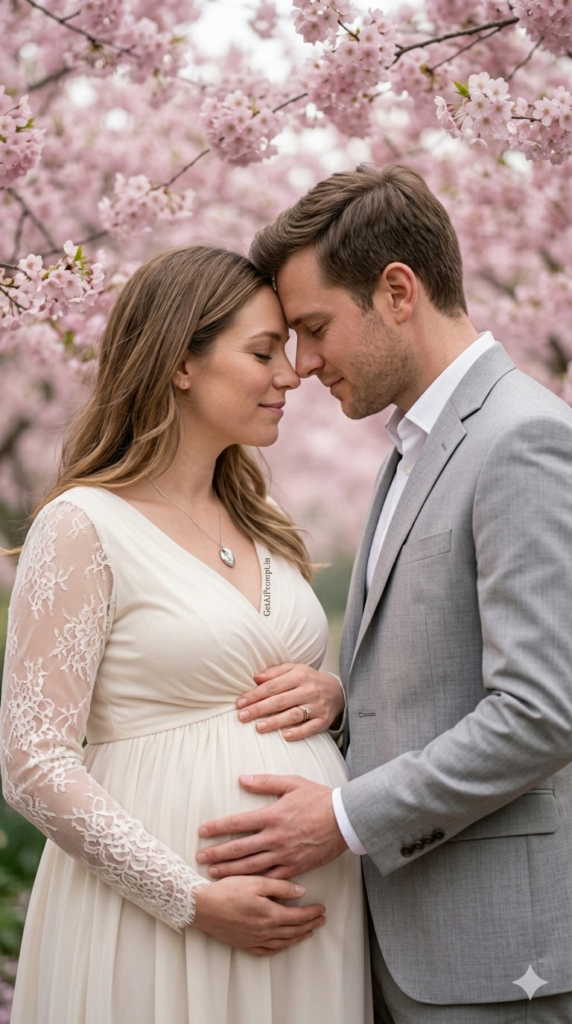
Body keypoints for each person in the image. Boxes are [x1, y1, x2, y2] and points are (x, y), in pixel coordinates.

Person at [195, 165, 572, 1023]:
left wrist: (346, 818)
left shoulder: (522, 440)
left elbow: (545, 709)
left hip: (495, 960)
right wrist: (346, 701)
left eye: (316, 328)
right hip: (407, 947)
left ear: (398, 290)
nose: (305, 363)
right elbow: (454, 663)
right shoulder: (413, 445)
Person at [0, 245, 373, 1024]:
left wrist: (334, 697)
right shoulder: (83, 525)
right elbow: (31, 762)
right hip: (163, 921)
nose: (292, 373)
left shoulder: (264, 529)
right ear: (181, 363)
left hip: (309, 927)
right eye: (263, 352)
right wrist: (191, 899)